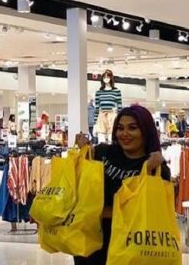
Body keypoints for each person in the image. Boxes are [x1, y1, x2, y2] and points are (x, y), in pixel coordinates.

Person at [73, 105, 170, 265]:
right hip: (91, 243)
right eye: (120, 128)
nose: (124, 134)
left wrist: (147, 170)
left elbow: (147, 213)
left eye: (132, 128)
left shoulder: (156, 169)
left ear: (146, 131)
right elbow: (83, 188)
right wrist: (83, 151)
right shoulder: (102, 152)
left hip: (131, 247)